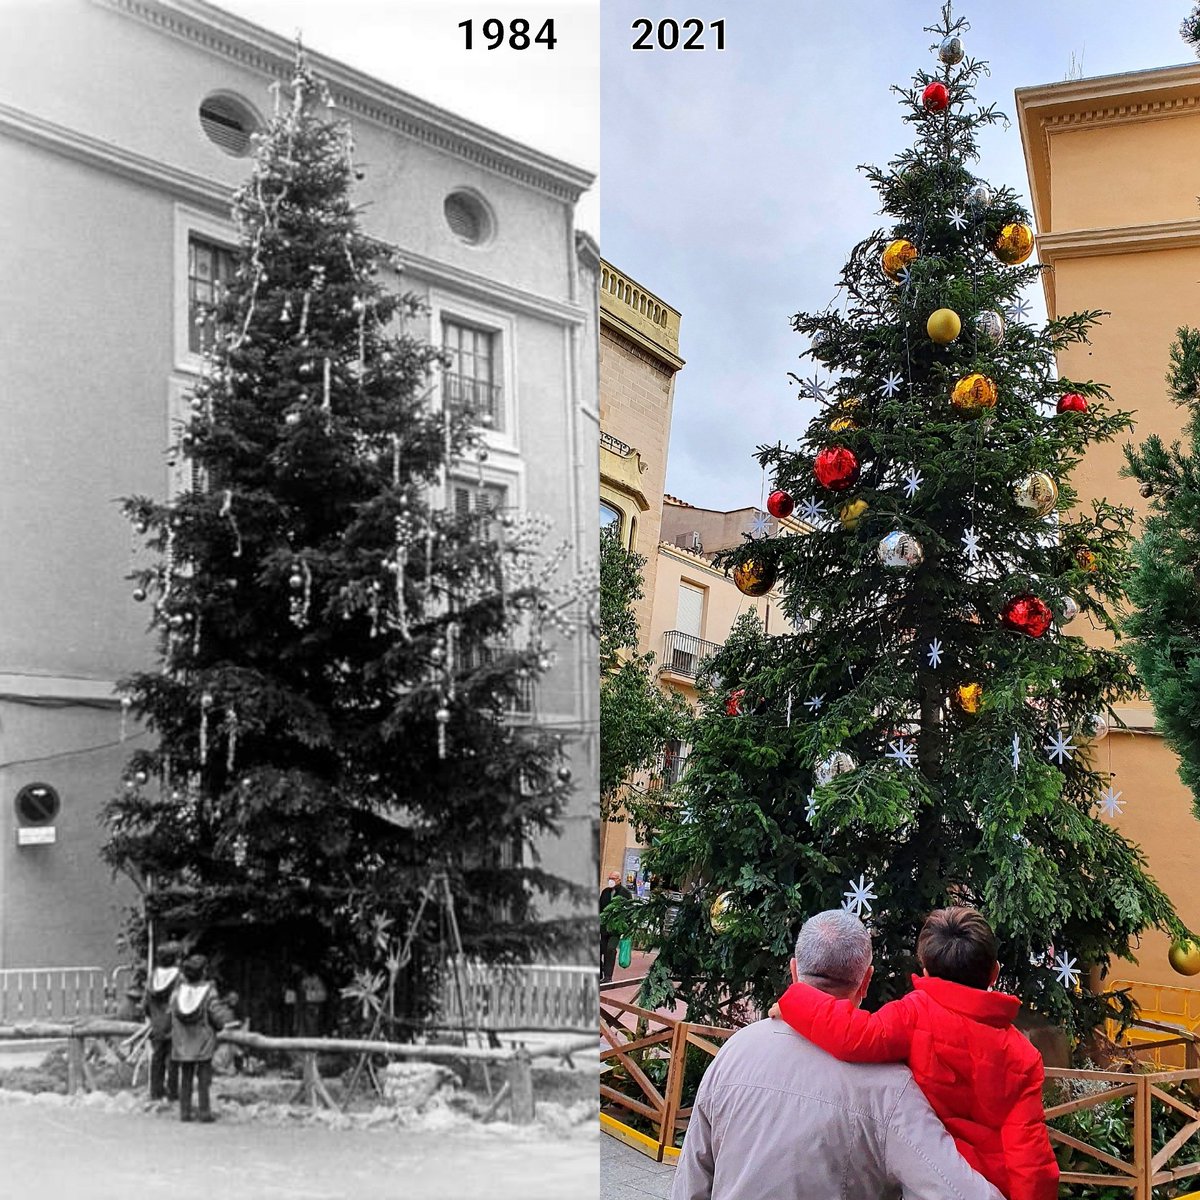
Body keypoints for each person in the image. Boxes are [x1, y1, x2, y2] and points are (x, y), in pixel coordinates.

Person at [671, 910, 1005, 1200]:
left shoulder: (735, 1051)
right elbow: (960, 1192)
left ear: (794, 970)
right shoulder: (891, 1088)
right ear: (866, 981)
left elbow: (692, 1180)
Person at [773, 906, 1058, 1200]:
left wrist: (796, 1001)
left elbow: (851, 1035)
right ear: (994, 973)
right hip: (990, 1188)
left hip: (929, 1179)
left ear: (925, 971)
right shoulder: (1023, 1056)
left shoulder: (914, 1013)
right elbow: (1030, 1157)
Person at [169, 953, 236, 1123]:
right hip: (203, 1041)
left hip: (183, 1042)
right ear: (204, 972)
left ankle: (185, 1112)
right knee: (204, 1079)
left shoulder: (177, 992)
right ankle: (204, 1112)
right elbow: (216, 1013)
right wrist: (224, 1023)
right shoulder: (209, 991)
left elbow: (171, 1010)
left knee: (186, 1077)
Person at [143, 943, 180, 1102]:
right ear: (174, 959)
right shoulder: (179, 977)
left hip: (157, 1025)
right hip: (174, 1025)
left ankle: (155, 1092)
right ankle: (172, 1094)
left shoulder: (152, 977)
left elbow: (145, 1003)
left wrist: (152, 1017)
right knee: (173, 1059)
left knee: (157, 1057)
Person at [599, 871, 629, 983]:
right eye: (609, 878)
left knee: (610, 950)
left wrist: (625, 926)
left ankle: (608, 976)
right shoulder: (605, 892)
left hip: (616, 928)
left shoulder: (625, 893)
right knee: (600, 949)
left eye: (613, 878)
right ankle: (600, 972)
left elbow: (628, 910)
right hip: (604, 927)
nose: (611, 880)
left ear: (619, 880)